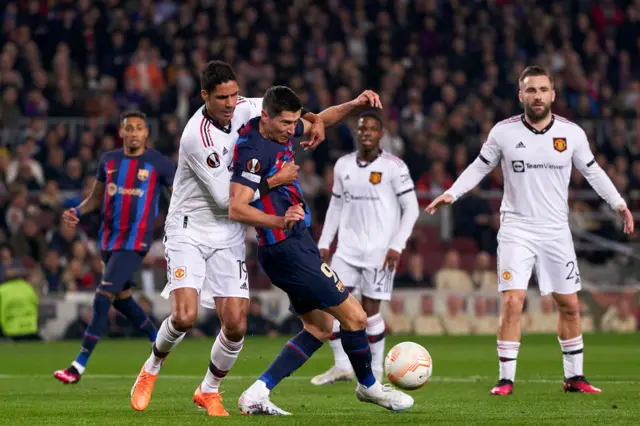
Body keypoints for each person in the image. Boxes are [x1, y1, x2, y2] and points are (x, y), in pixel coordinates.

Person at [129, 61, 324, 416]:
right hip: (190, 228)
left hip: (229, 233)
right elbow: (226, 201)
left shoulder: (245, 107)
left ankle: (209, 390)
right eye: (223, 97)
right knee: (185, 317)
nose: (232, 102)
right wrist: (275, 180)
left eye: (235, 93)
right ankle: (151, 368)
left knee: (236, 324)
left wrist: (317, 117)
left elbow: (281, 109)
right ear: (205, 96)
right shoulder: (196, 136)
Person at [426, 65, 635, 396]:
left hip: (556, 231)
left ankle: (574, 377)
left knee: (569, 304)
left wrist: (619, 204)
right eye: (530, 90)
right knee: (513, 301)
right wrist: (452, 192)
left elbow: (594, 172)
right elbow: (480, 166)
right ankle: (505, 379)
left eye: (542, 90)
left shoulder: (572, 134)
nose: (537, 96)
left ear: (552, 94)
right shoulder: (503, 132)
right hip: (516, 229)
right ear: (520, 95)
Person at [229, 86, 413, 415]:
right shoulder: (253, 150)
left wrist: (356, 104)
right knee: (356, 318)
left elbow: (321, 121)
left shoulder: (278, 128)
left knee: (319, 328)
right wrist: (278, 212)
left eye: (294, 123)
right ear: (266, 117)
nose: (292, 129)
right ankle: (369, 386)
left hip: (294, 244)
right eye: (286, 123)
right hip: (286, 246)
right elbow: (236, 207)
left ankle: (257, 393)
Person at [54, 111, 175, 384]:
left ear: (146, 133)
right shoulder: (109, 161)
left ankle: (78, 365)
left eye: (139, 129)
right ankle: (158, 341)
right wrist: (78, 210)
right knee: (121, 299)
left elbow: (180, 195)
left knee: (103, 296)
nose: (134, 133)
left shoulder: (159, 163)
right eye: (129, 128)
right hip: (108, 240)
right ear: (121, 132)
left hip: (136, 241)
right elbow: (96, 198)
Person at [312, 111, 419, 385]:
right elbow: (336, 206)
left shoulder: (394, 167)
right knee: (331, 306)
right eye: (362, 129)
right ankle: (341, 366)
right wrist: (325, 242)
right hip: (346, 251)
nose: (366, 133)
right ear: (356, 133)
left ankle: (377, 372)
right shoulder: (343, 165)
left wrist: (397, 245)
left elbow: (412, 208)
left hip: (379, 253)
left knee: (370, 314)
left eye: (372, 129)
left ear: (381, 133)